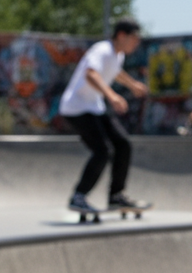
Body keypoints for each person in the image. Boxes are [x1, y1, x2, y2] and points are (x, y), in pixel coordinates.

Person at [60, 19, 150, 215]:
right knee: (103, 151)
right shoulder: (102, 50)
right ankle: (78, 196)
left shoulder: (117, 55)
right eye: (134, 38)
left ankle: (116, 196)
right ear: (121, 35)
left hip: (94, 108)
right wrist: (112, 95)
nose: (136, 43)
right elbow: (91, 74)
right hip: (76, 108)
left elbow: (115, 72)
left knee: (123, 144)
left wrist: (132, 84)